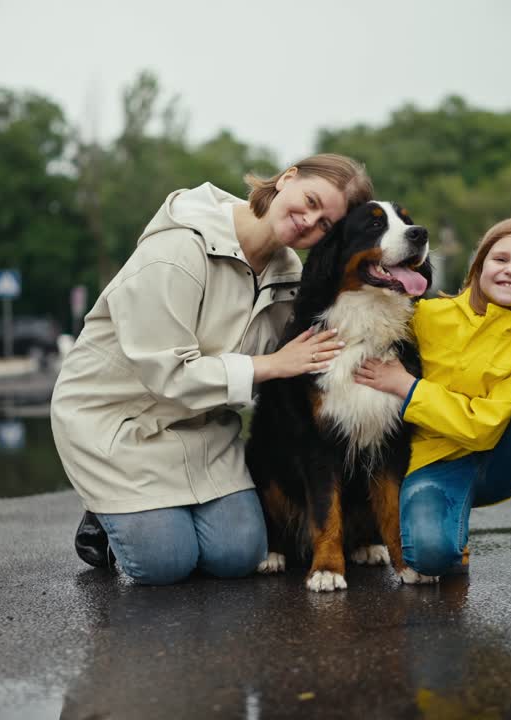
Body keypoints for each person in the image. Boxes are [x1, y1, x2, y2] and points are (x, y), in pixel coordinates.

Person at [52, 154, 373, 585]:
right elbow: (168, 376)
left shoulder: (289, 276)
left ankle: (158, 511)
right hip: (119, 423)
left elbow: (314, 356)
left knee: (239, 556)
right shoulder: (176, 250)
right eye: (310, 200)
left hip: (202, 430)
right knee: (165, 563)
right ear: (288, 178)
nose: (309, 220)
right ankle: (106, 514)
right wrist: (271, 365)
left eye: (326, 224)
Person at [353, 217, 511, 589]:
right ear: (479, 268)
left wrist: (408, 388)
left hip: (500, 461)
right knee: (431, 558)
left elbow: (482, 430)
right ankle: (451, 535)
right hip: (435, 462)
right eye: (500, 259)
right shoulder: (426, 315)